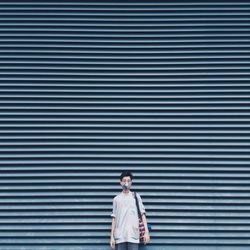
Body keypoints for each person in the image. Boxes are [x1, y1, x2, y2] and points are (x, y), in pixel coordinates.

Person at [110, 171, 150, 250]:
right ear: (120, 182)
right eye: (124, 181)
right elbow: (114, 219)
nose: (126, 183)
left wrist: (146, 232)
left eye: (128, 181)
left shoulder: (136, 196)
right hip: (120, 236)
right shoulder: (116, 199)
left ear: (131, 182)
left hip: (133, 236)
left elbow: (142, 214)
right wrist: (112, 237)